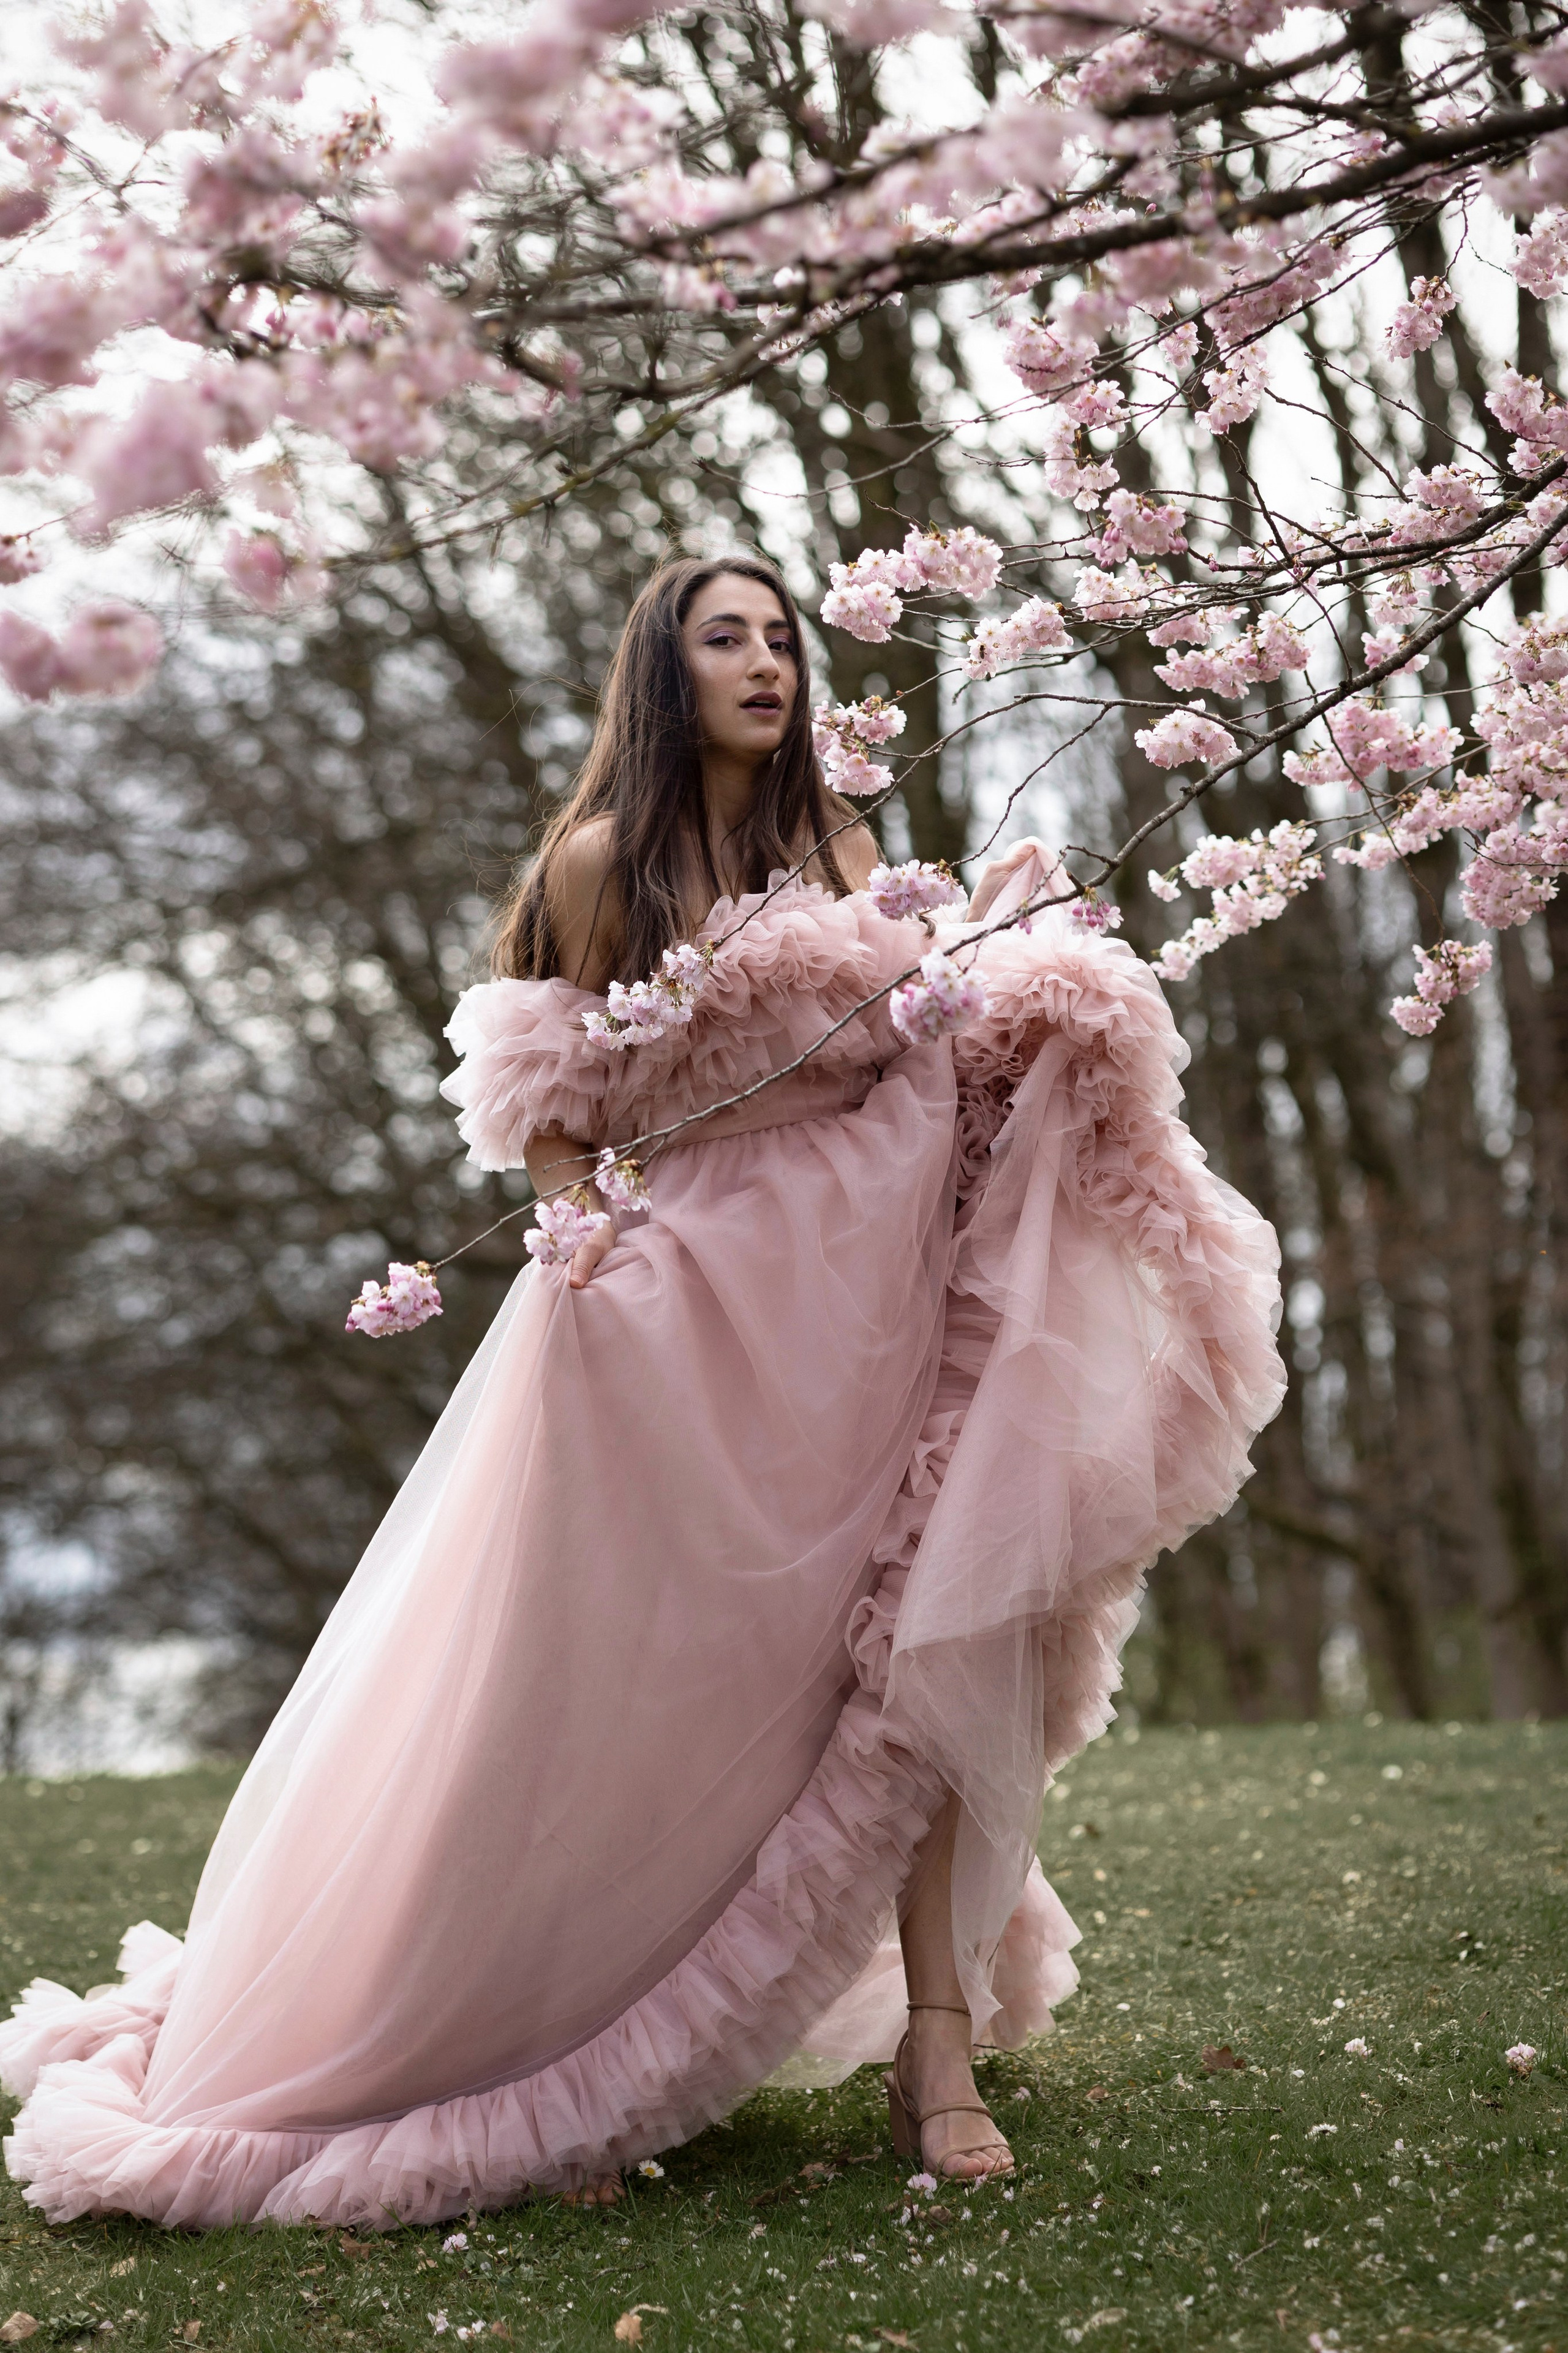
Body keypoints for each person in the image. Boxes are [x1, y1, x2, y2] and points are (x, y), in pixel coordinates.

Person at [0, 554, 1284, 2227]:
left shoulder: (842, 844)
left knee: (916, 1656)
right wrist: (592, 1247)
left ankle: (942, 2049)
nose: (766, 664)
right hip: (695, 1325)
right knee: (628, 1687)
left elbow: (913, 1055)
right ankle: (528, 2012)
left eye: (782, 638)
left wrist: (1019, 970)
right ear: (664, 674)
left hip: (875, 1297)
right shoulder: (606, 863)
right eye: (723, 638)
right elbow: (549, 1107)